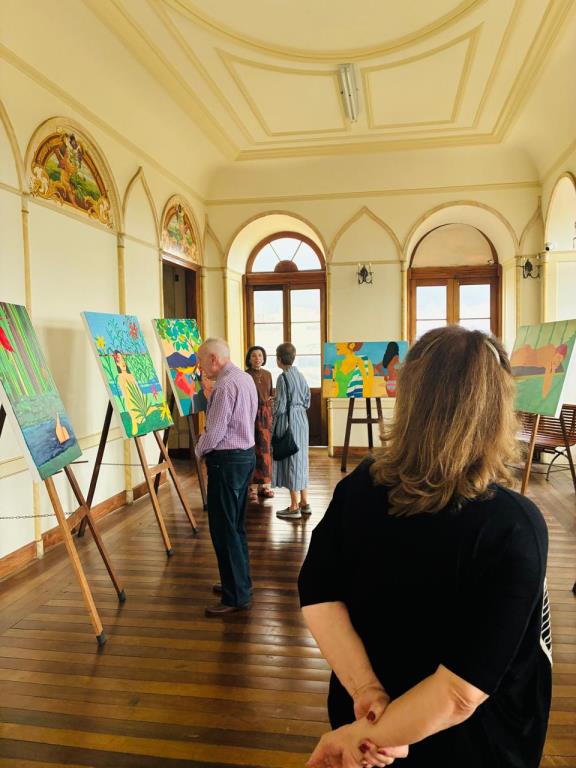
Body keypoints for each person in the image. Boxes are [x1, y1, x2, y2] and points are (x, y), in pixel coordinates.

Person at [299, 326, 551, 768]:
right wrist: (370, 733)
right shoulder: (515, 525)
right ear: (498, 409)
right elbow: (459, 692)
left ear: (410, 398)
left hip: (367, 723)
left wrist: (366, 698)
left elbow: (318, 594)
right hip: (464, 746)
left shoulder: (362, 484)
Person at [195, 338, 258, 617]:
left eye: (200, 361)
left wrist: (199, 450)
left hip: (227, 461)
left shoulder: (223, 386)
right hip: (245, 456)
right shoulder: (243, 378)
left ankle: (236, 595)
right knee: (236, 525)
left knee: (224, 529)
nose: (199, 368)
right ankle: (239, 583)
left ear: (213, 359)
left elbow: (216, 430)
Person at [273, 342, 312, 519]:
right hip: (302, 420)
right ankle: (305, 502)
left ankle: (294, 506)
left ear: (280, 359)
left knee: (290, 460)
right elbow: (307, 401)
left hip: (288, 421)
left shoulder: (283, 378)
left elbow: (280, 406)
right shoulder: (301, 376)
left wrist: (272, 414)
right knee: (301, 459)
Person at [245, 345, 274, 502]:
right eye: (254, 356)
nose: (258, 358)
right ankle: (251, 487)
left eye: (260, 356)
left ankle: (265, 485)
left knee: (266, 451)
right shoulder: (245, 375)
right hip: (250, 415)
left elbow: (271, 395)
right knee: (252, 449)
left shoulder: (268, 374)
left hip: (265, 415)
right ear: (249, 358)